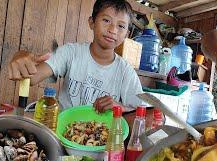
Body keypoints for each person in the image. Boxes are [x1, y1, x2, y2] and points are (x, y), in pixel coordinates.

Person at [8, 0, 143, 113]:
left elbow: (140, 113)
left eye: (121, 26)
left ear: (126, 34)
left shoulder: (126, 73)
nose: (113, 30)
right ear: (92, 22)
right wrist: (20, 57)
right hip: (61, 132)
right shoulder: (71, 52)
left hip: (101, 141)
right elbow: (32, 77)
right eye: (106, 20)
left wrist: (121, 107)